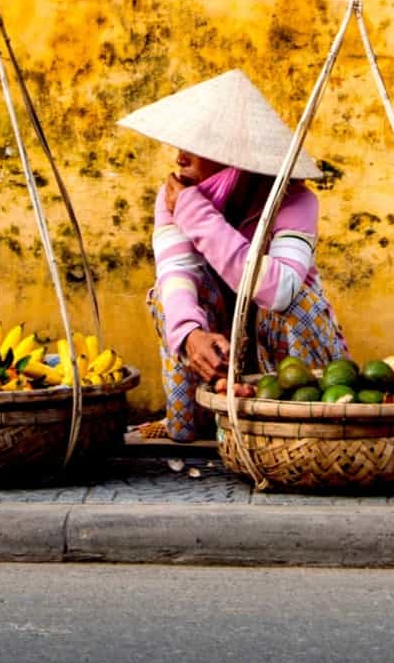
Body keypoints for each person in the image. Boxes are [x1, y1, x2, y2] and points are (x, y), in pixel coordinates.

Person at [118, 69, 348, 443]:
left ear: (234, 156)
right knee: (165, 296)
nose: (180, 158)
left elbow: (280, 291)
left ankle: (299, 417)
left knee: (296, 297)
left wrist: (195, 213)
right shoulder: (173, 197)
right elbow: (176, 272)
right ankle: (201, 411)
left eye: (198, 145)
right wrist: (190, 335)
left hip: (288, 371)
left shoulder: (295, 200)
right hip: (218, 353)